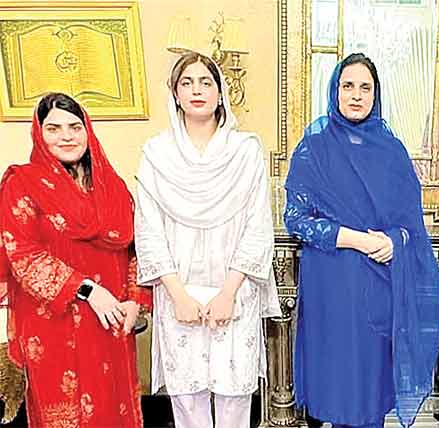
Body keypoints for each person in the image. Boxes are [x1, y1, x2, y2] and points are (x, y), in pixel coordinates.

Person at [284, 52, 439, 428]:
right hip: (332, 285)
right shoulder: (314, 148)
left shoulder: (392, 152)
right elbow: (296, 219)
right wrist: (354, 239)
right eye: (348, 86)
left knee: (370, 393)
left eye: (365, 87)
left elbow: (410, 226)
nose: (356, 95)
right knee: (338, 387)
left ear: (376, 94)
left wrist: (395, 241)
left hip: (379, 283)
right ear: (335, 91)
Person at [134, 51, 281, 428]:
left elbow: (257, 225)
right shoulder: (156, 154)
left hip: (235, 292)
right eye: (187, 83)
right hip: (178, 294)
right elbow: (148, 230)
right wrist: (178, 295)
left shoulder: (245, 151)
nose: (197, 90)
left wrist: (228, 293)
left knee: (234, 399)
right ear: (175, 93)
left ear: (220, 92)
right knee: (187, 401)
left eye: (206, 82)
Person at [0, 92, 149, 427]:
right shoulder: (22, 184)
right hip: (55, 324)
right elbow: (22, 254)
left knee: (114, 410)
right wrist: (89, 290)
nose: (66, 136)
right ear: (39, 134)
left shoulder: (113, 188)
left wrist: (134, 301)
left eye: (74, 127)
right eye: (53, 129)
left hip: (111, 322)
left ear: (87, 130)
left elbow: (135, 249)